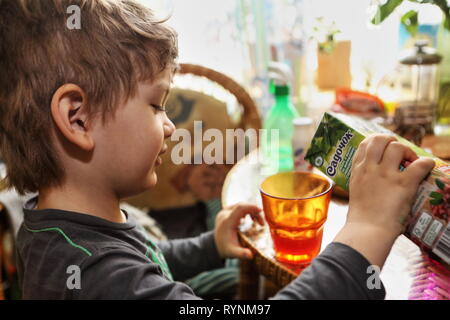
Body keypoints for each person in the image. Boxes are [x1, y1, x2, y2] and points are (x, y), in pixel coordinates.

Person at [0, 0, 435, 300]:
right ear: (77, 118)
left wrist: (212, 245)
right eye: (155, 104)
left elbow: (149, 261)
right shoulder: (93, 274)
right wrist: (367, 230)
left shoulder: (62, 230)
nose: (169, 126)